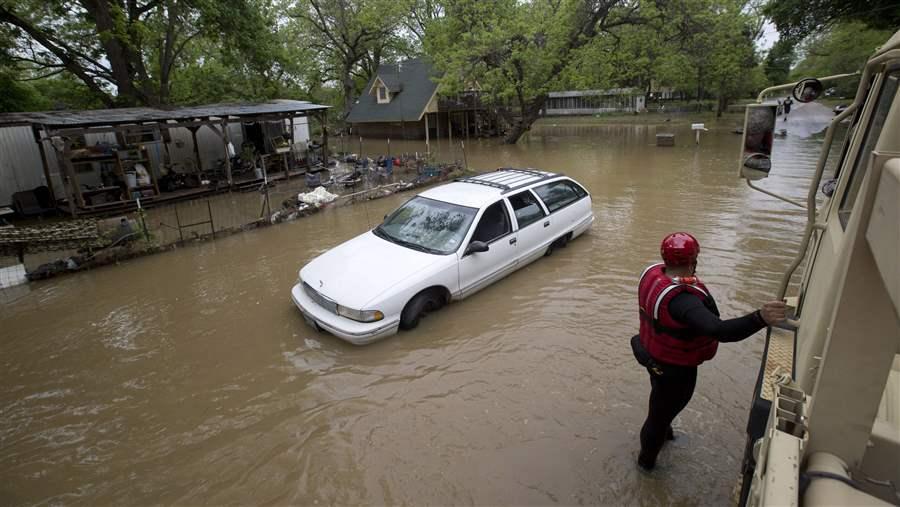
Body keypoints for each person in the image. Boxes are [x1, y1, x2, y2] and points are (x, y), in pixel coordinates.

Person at [632, 232, 786, 471]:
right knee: (658, 417)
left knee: (662, 407)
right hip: (674, 370)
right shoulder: (684, 302)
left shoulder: (654, 274)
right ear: (694, 261)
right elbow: (721, 331)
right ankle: (645, 466)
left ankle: (667, 436)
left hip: (652, 354)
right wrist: (760, 318)